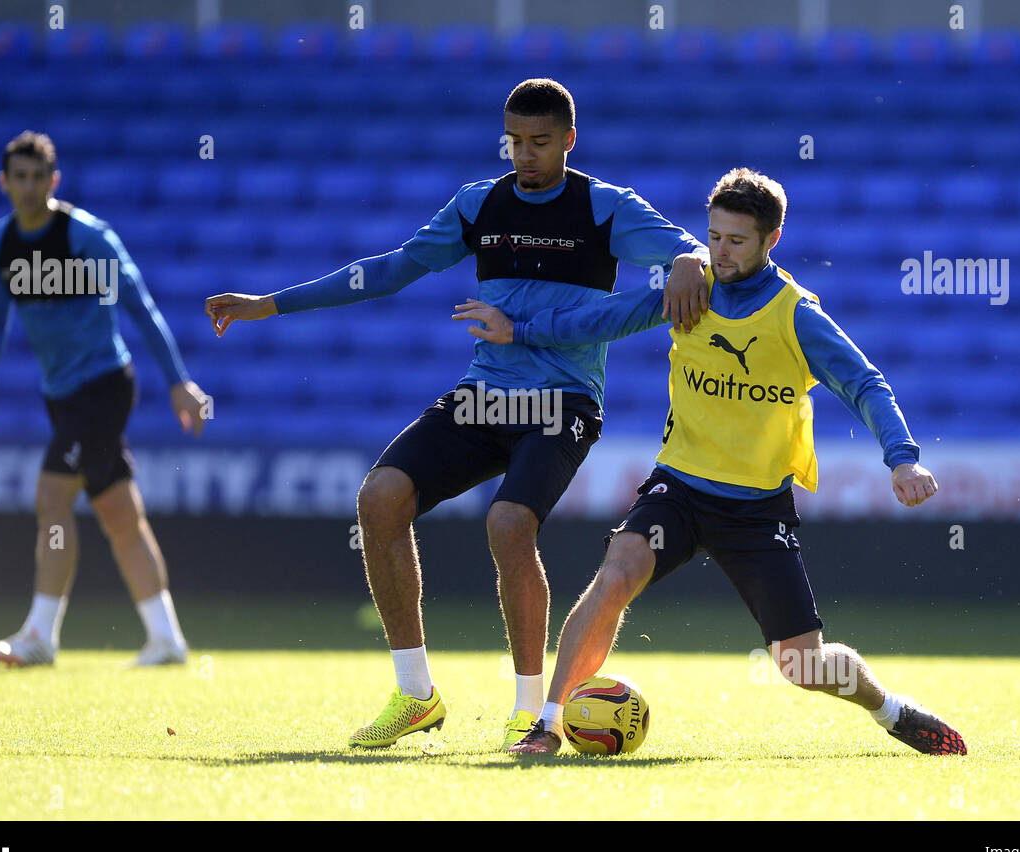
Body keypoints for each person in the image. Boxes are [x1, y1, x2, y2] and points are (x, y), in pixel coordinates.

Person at [205, 78, 712, 749]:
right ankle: (416, 694)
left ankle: (530, 711)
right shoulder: (478, 205)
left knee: (508, 523)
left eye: (539, 142)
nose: (524, 155)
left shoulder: (604, 208)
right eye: (515, 141)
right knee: (381, 498)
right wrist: (270, 303)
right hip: (485, 393)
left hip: (562, 402)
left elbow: (690, 249)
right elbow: (390, 269)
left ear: (569, 139)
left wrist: (691, 258)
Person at [455, 167, 967, 757]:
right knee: (616, 572)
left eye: (736, 240)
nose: (718, 252)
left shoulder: (797, 316)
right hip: (679, 487)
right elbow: (604, 319)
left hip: (755, 509)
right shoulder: (690, 287)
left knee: (802, 664)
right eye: (714, 236)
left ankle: (893, 712)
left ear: (771, 240)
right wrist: (518, 329)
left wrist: (902, 458)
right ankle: (546, 726)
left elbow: (865, 384)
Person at [0, 131, 208, 668]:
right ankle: (166, 639)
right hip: (61, 395)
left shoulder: (86, 238)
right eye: (18, 178)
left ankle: (40, 636)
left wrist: (178, 381)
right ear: (4, 183)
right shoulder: (0, 244)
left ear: (54, 182)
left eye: (38, 178)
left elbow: (141, 306)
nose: (28, 188)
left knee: (52, 500)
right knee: (120, 513)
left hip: (102, 386)